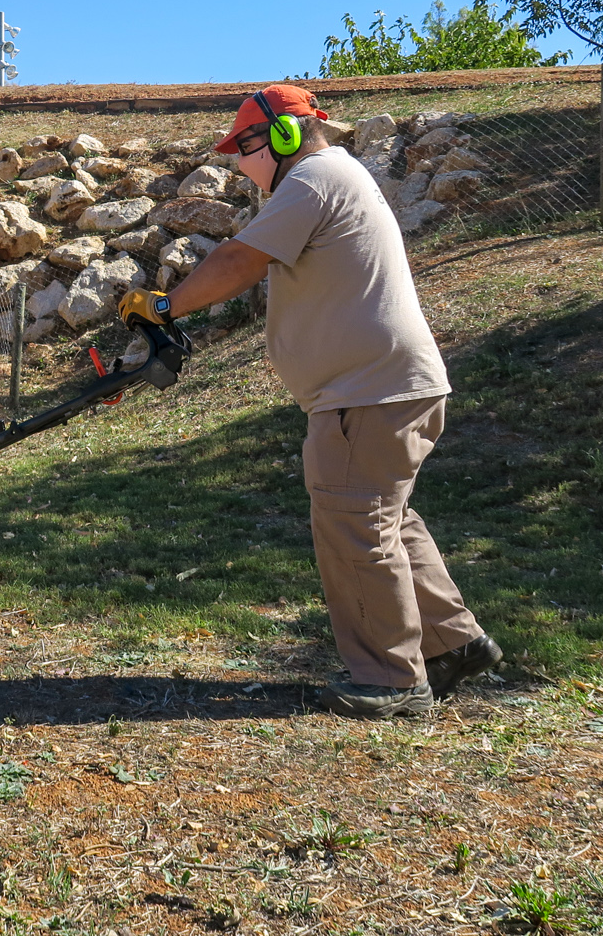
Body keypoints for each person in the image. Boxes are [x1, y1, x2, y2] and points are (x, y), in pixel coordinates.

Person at [119, 85, 500, 718]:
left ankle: (391, 680)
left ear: (287, 134)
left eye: (246, 146)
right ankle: (452, 644)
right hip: (393, 385)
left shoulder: (315, 178)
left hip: (366, 390)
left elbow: (240, 259)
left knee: (355, 525)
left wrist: (165, 304)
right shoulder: (338, 176)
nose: (241, 162)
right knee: (386, 520)